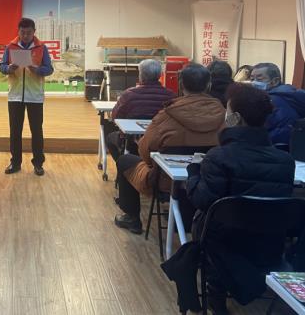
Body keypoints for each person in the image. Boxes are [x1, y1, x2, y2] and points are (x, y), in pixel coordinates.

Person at [185, 83, 295, 314]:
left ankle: (215, 293)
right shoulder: (285, 161)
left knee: (206, 218)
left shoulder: (218, 157)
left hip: (222, 243)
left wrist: (193, 173)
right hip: (269, 242)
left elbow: (202, 200)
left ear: (234, 118)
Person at [114, 64, 225, 234]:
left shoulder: (167, 114)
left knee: (125, 160)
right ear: (209, 85)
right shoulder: (224, 114)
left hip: (167, 181)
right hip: (210, 180)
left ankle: (132, 218)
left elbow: (145, 151)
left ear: (181, 84)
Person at [0, 18, 54, 176]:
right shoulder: (10, 46)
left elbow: (49, 69)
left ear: (34, 32)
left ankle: (38, 164)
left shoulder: (41, 47)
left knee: (36, 131)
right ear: (18, 31)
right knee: (15, 131)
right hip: (15, 96)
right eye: (22, 32)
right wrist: (9, 68)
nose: (25, 35)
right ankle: (15, 163)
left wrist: (38, 70)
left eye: (28, 33)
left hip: (35, 96)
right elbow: (2, 66)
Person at [106, 59, 176, 159]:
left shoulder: (129, 94)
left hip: (132, 143)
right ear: (160, 75)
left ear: (140, 75)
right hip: (160, 143)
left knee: (110, 138)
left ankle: (125, 164)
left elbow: (116, 117)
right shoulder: (171, 96)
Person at [250, 62, 305, 149]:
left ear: (275, 81)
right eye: (252, 79)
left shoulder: (271, 100)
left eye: (259, 79)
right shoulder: (290, 96)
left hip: (274, 147)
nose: (254, 83)